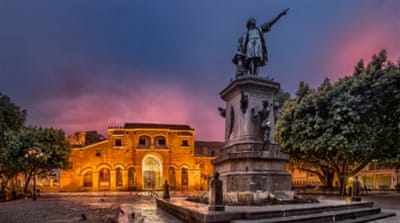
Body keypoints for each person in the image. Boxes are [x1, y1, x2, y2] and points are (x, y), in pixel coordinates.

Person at [236, 8, 289, 75]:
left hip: (258, 44)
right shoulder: (246, 33)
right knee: (251, 60)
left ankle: (256, 75)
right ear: (249, 24)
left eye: (254, 22)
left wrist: (280, 15)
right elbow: (241, 44)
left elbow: (270, 23)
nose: (254, 23)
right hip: (250, 45)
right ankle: (252, 75)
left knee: (258, 61)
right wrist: (241, 52)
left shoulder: (259, 29)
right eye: (252, 22)